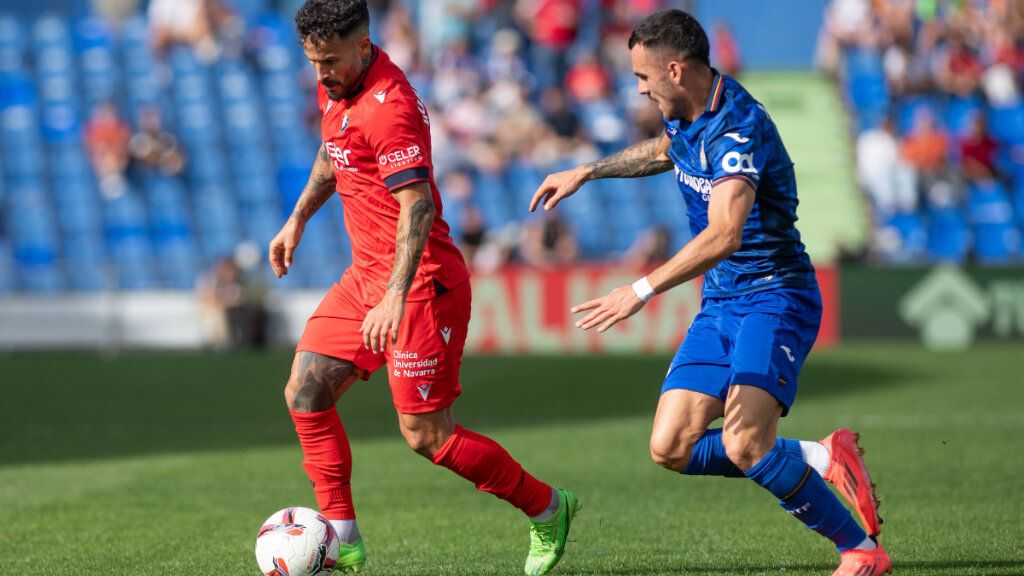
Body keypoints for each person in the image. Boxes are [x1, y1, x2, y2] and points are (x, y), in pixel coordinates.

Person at [529, 10, 890, 576]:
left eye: (644, 78)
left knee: (747, 443)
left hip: (774, 296)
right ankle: (820, 455)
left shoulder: (736, 127)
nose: (640, 89)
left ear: (675, 70)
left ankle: (860, 551)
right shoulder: (686, 109)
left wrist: (641, 290)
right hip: (722, 301)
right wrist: (587, 172)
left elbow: (725, 234)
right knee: (670, 446)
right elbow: (662, 152)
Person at [268, 2, 579, 574]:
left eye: (330, 61)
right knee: (305, 393)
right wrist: (298, 219)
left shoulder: (390, 107)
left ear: (363, 47)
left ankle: (548, 507)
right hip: (365, 278)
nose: (321, 74)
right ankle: (343, 541)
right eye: (313, 62)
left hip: (419, 286)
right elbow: (334, 152)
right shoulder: (338, 86)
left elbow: (418, 204)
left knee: (427, 436)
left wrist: (394, 294)